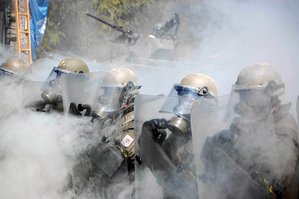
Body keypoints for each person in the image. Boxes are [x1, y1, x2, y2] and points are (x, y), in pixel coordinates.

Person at [201, 63, 298, 199]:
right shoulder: (252, 121)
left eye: (249, 94)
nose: (242, 101)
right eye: (241, 94)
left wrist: (244, 141)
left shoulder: (284, 125)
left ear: (270, 94)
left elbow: (278, 176)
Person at [138, 73, 218, 199]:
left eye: (188, 100)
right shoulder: (176, 138)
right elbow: (159, 171)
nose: (181, 105)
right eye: (181, 98)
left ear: (206, 104)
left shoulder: (213, 138)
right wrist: (149, 139)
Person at [69, 67, 141, 198]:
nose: (103, 97)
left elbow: (119, 158)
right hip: (98, 187)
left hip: (120, 190)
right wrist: (83, 126)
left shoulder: (134, 123)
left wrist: (95, 142)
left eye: (110, 92)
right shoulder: (112, 117)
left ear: (127, 95)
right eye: (104, 91)